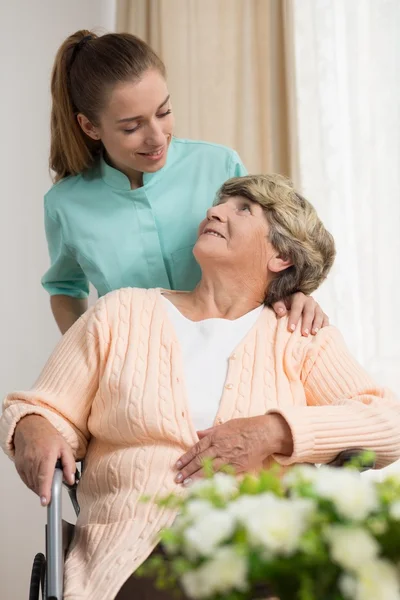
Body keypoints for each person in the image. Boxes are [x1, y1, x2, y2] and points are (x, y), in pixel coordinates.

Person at [2, 174, 399, 600]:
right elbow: (42, 410)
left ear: (281, 255)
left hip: (260, 552)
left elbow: (388, 423)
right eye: (220, 204)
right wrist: (31, 427)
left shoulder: (299, 335)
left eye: (243, 209)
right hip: (132, 554)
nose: (215, 212)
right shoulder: (120, 314)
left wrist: (272, 432)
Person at [44, 29, 327, 335]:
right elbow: (65, 288)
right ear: (90, 126)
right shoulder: (66, 204)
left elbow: (265, 251)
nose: (156, 137)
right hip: (134, 369)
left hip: (229, 353)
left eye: (163, 112)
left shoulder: (218, 165)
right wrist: (87, 355)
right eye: (132, 127)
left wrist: (297, 295)